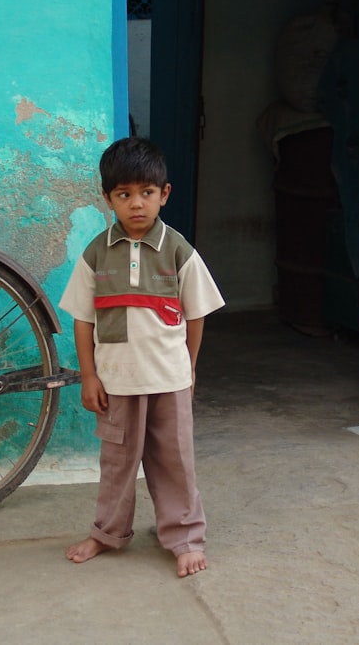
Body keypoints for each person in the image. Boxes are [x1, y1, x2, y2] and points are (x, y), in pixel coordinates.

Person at [59, 137, 225, 578]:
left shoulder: (178, 250)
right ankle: (107, 533)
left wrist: (188, 366)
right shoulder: (96, 253)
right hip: (116, 383)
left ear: (164, 194)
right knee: (117, 465)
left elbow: (197, 314)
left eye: (146, 193)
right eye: (124, 195)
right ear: (107, 198)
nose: (136, 204)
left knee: (175, 461)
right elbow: (81, 320)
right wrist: (88, 376)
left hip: (169, 380)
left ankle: (185, 538)